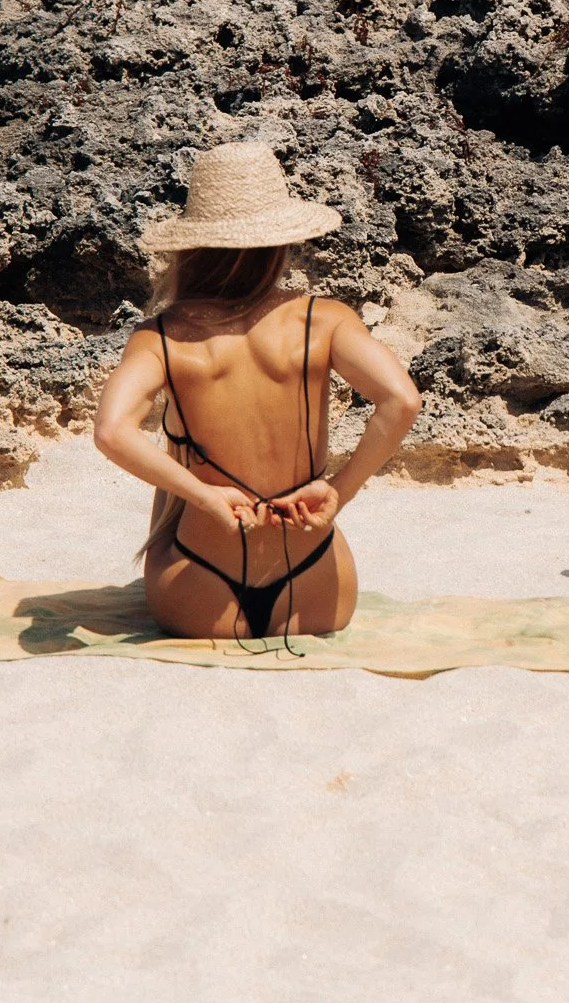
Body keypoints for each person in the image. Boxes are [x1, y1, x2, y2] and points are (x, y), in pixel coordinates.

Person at [93, 139, 421, 643]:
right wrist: (338, 492)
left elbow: (113, 432)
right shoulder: (324, 318)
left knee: (175, 453)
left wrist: (202, 496)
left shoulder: (162, 336)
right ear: (280, 243)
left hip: (199, 589)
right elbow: (401, 400)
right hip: (318, 584)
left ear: (191, 250)